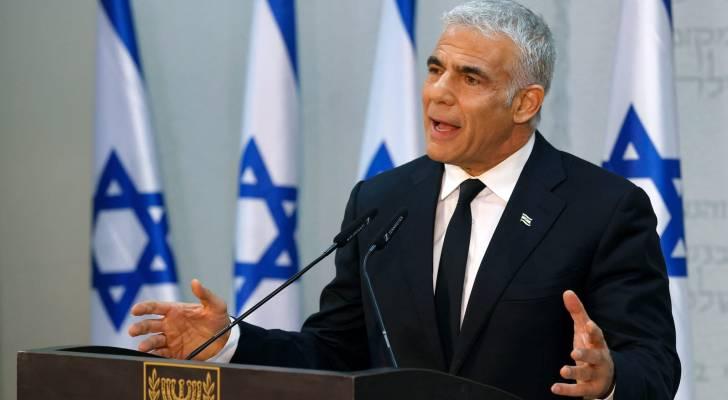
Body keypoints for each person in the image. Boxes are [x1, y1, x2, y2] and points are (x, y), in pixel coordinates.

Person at [129, 1, 680, 398]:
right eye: (436, 69)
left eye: (470, 78)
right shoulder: (382, 201)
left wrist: (609, 378)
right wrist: (229, 342)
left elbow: (654, 362)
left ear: (524, 103)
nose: (439, 91)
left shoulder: (602, 209)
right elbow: (335, 351)